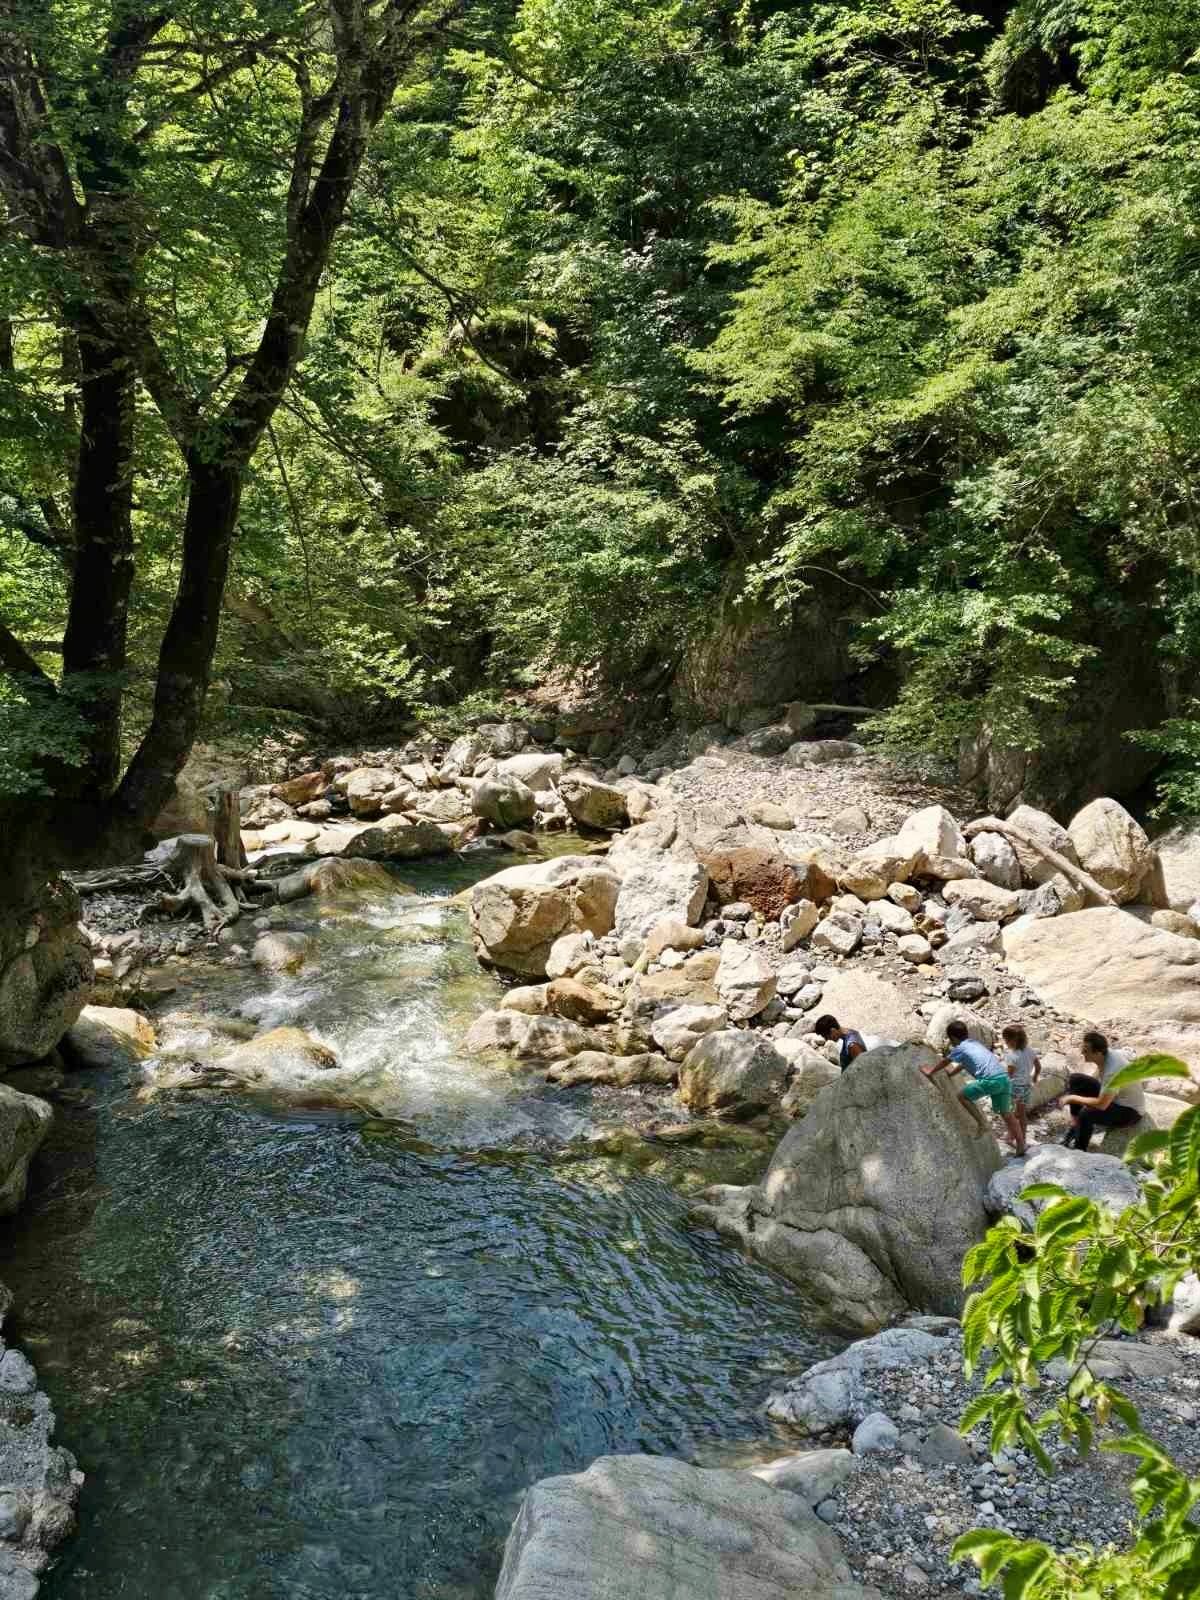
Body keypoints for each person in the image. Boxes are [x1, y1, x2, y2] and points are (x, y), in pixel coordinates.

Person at [921, 1021, 1026, 1153]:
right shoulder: (975, 1044)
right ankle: (1021, 1145)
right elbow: (965, 1062)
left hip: (991, 1080)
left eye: (949, 1039)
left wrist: (930, 1072)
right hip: (1003, 1079)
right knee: (1008, 1115)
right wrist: (952, 1073)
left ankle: (982, 1123)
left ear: (953, 1038)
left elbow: (946, 1061)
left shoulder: (961, 1048)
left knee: (962, 1096)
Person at [1061, 1030, 1144, 1151]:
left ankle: (1079, 1151)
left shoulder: (1113, 1071)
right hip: (1115, 1098)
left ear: (1098, 1053)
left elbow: (1101, 1105)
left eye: (1086, 1050)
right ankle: (1075, 1125)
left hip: (1129, 1112)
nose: (1082, 1052)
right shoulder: (1107, 1052)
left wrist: (1073, 1098)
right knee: (1076, 1079)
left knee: (1086, 1114)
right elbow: (1097, 1080)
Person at [1001, 1024, 1042, 1151]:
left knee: (1010, 1114)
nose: (1005, 1043)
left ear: (1012, 1040)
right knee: (1022, 1114)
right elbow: (1038, 1066)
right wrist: (1034, 1076)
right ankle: (1023, 1138)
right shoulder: (1030, 1050)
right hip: (1026, 1086)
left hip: (1014, 1088)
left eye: (1006, 1040)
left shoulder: (1012, 1056)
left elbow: (1009, 1074)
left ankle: (1010, 1136)